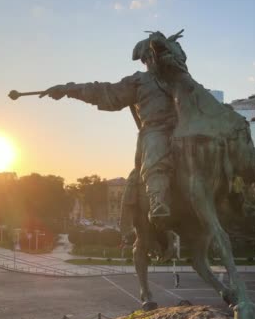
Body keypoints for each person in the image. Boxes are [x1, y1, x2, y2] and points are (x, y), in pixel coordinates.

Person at [40, 33, 176, 225]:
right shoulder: (138, 82)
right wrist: (68, 90)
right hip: (156, 131)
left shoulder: (179, 80)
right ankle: (156, 201)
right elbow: (105, 92)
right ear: (147, 59)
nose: (157, 59)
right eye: (153, 56)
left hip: (185, 129)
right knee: (153, 152)